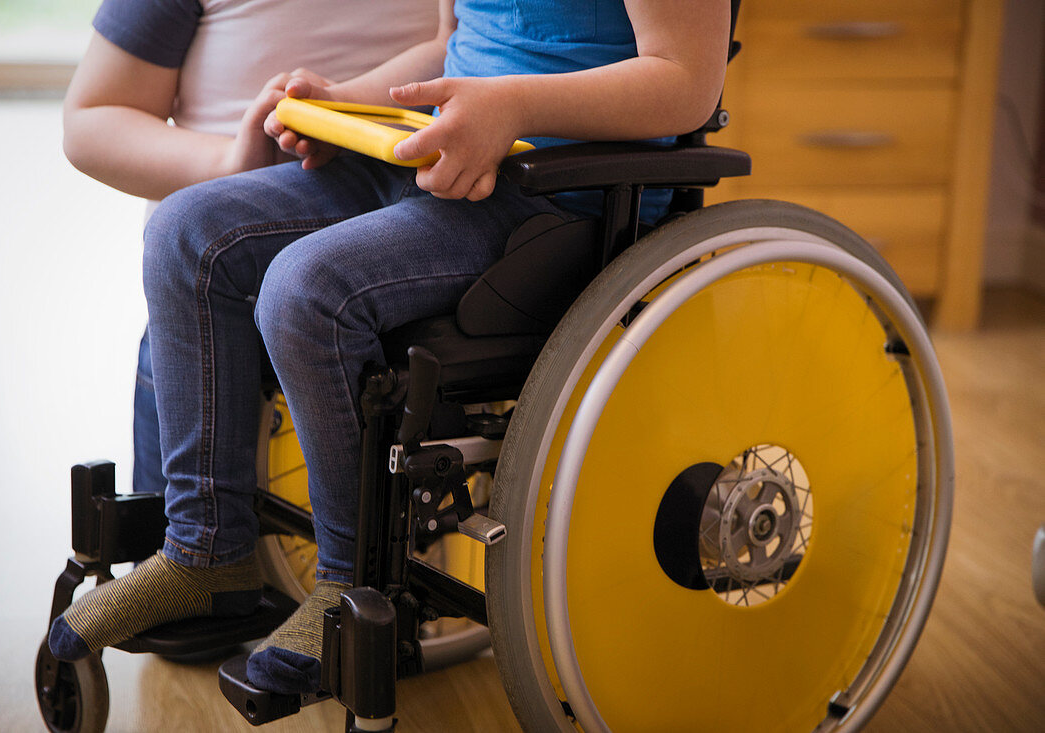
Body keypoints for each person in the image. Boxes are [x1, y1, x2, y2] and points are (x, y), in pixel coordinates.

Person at [49, 0, 730, 696]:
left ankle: (349, 588)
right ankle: (206, 550)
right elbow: (451, 42)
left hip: (559, 197)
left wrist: (512, 108)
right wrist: (346, 99)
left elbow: (686, 82)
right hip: (440, 151)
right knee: (185, 231)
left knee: (305, 289)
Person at [61, 0, 439, 495]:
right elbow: (92, 119)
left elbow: (460, 46)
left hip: (402, 262)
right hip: (212, 295)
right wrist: (228, 163)